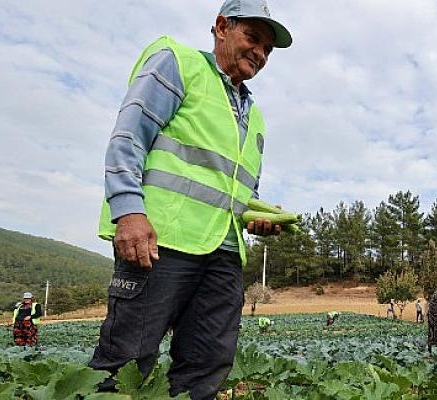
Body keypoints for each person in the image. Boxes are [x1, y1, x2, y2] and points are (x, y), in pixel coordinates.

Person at [88, 1, 292, 398]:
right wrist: (128, 211)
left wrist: (260, 216)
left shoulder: (256, 116)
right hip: (162, 242)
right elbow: (128, 137)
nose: (260, 53)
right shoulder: (177, 64)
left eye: (268, 49)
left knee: (206, 365)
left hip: (225, 255)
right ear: (221, 27)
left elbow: (239, 191)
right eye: (254, 38)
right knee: (127, 360)